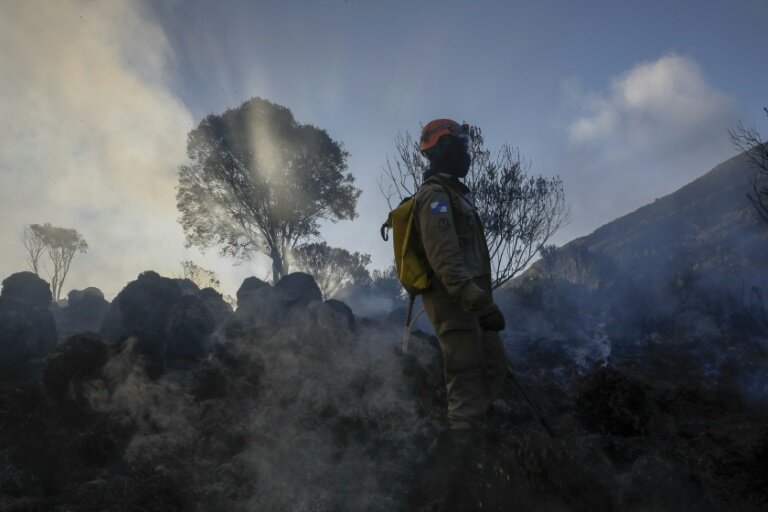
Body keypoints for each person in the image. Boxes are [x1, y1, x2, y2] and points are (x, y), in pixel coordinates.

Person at [414, 118, 508, 436]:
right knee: (466, 382)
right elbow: (445, 259)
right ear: (443, 147)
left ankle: (485, 445)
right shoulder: (435, 197)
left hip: (474, 305)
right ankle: (464, 463)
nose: (466, 154)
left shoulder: (454, 196)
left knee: (494, 369)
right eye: (460, 146)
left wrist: (482, 303)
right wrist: (477, 301)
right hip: (456, 304)